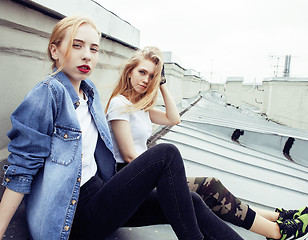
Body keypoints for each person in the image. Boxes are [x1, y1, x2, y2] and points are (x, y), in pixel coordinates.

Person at [0, 16, 247, 240]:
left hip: (101, 196)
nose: (87, 55)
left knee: (191, 200)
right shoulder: (47, 93)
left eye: (93, 49)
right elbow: (22, 168)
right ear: (54, 50)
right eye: (77, 45)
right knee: (166, 154)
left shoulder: (89, 92)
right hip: (73, 217)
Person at [105, 46, 308, 240]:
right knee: (209, 188)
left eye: (151, 76)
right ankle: (277, 230)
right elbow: (130, 156)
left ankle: (276, 219)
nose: (146, 80)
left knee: (211, 187)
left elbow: (174, 118)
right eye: (142, 72)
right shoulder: (119, 104)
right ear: (129, 71)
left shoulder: (140, 106)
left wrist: (162, 84)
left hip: (147, 177)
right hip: (131, 180)